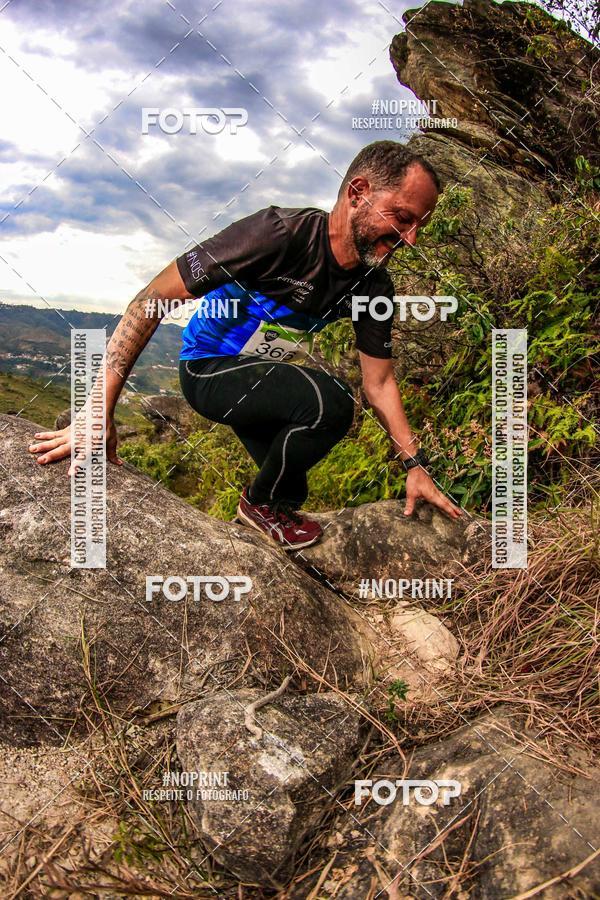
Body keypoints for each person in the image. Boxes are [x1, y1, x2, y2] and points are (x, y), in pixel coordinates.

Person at [28, 140, 462, 550]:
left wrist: (415, 466)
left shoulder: (374, 286)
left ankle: (266, 516)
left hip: (258, 381)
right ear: (358, 192)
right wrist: (97, 412)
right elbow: (150, 300)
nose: (411, 239)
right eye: (402, 218)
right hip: (208, 368)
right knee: (331, 403)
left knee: (293, 478)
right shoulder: (277, 235)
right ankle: (258, 506)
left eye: (419, 226)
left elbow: (381, 381)